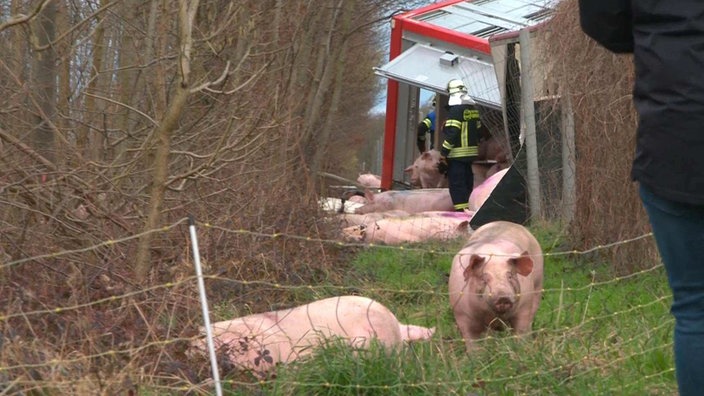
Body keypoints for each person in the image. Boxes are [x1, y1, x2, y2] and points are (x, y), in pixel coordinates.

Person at [579, 2, 704, 395]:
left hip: (677, 138)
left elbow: (603, 22)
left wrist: (660, 34)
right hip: (676, 139)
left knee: (695, 305)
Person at [437, 79, 482, 212]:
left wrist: (443, 153)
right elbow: (478, 130)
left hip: (457, 155)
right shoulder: (472, 109)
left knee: (457, 185)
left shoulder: (455, 111)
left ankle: (461, 214)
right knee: (468, 182)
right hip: (470, 154)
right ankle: (469, 208)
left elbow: (452, 133)